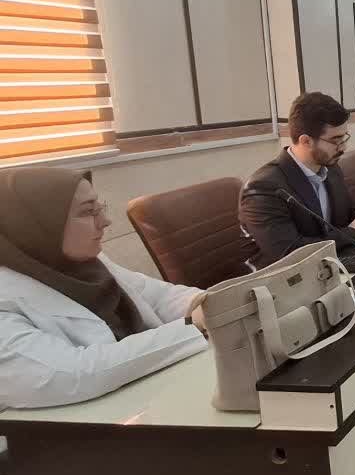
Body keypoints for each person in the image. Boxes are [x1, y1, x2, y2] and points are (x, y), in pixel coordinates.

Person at [0, 168, 207, 408]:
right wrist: (193, 326)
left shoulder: (87, 263)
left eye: (99, 208)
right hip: (75, 425)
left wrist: (212, 302)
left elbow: (157, 296)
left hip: (148, 395)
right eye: (88, 211)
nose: (105, 221)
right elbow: (72, 374)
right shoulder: (7, 298)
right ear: (36, 225)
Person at [241, 93, 355, 267]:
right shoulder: (263, 188)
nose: (344, 147)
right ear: (306, 141)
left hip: (329, 265)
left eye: (344, 138)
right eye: (335, 140)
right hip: (285, 278)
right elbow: (290, 252)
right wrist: (351, 232)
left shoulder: (330, 169)